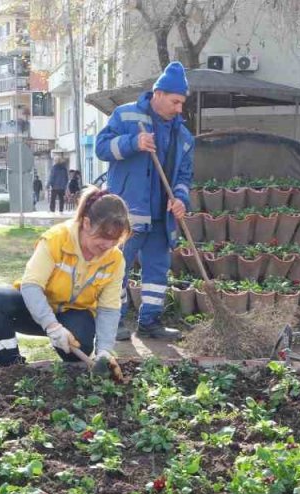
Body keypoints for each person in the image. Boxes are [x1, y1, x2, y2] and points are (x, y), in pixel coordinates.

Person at [0, 186, 128, 375]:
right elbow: (31, 286)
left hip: (73, 315)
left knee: (79, 348)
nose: (108, 245)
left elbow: (109, 308)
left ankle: (72, 371)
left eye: (114, 240)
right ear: (87, 223)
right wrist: (52, 326)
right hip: (34, 309)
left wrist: (104, 350)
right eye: (104, 237)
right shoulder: (56, 239)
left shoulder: (115, 259)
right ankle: (11, 367)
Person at [95, 61, 194, 342]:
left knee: (157, 271)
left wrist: (181, 199)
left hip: (162, 217)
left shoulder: (183, 136)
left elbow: (185, 175)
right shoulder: (126, 116)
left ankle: (150, 322)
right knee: (118, 267)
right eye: (176, 101)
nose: (179, 109)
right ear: (158, 94)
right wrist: (133, 143)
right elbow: (102, 148)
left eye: (182, 103)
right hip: (126, 213)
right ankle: (114, 321)